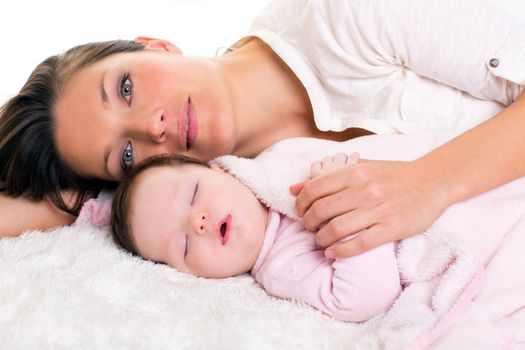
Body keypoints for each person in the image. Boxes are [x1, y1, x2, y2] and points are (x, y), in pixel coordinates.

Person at [1, 0, 524, 258]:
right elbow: (50, 205)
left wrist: (431, 182)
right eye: (126, 155)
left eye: (126, 89)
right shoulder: (229, 191)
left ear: (155, 44)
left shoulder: (346, 15)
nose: (150, 126)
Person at [110, 152, 401, 322]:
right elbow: (361, 298)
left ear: (220, 168)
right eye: (183, 245)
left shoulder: (282, 158)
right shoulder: (281, 268)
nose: (196, 222)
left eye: (194, 193)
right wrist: (345, 211)